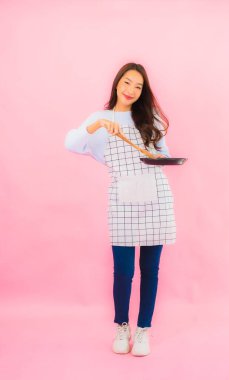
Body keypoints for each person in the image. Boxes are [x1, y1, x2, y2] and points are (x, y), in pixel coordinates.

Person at [64, 62, 176, 356]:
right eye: (127, 83)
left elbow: (163, 155)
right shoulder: (100, 117)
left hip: (155, 196)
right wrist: (98, 125)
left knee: (150, 270)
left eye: (138, 87)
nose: (131, 90)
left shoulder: (149, 118)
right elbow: (72, 144)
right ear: (117, 83)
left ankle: (143, 330)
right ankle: (121, 326)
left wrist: (158, 155)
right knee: (123, 271)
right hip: (122, 198)